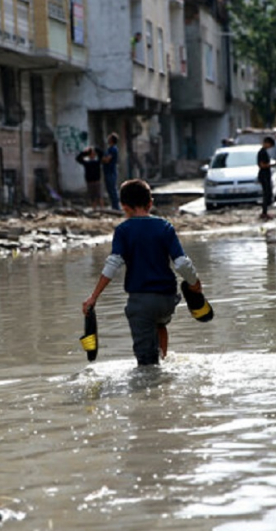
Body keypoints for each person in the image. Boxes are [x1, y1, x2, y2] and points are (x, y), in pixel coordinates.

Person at [81, 179, 204, 366]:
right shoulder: (165, 227)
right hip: (167, 300)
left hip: (141, 302)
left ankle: (153, 386)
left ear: (124, 207)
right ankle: (164, 362)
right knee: (159, 324)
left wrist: (94, 296)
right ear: (150, 203)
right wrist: (194, 283)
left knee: (146, 365)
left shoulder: (123, 230)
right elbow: (181, 263)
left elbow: (113, 265)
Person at [257, 137, 275, 220]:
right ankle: (264, 213)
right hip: (264, 174)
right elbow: (262, 165)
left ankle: (265, 211)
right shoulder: (262, 152)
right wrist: (272, 165)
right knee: (266, 193)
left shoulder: (264, 152)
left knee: (268, 193)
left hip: (266, 174)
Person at [102, 133, 120, 211]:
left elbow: (107, 160)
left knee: (112, 189)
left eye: (109, 138)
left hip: (111, 171)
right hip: (108, 171)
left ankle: (116, 207)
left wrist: (101, 158)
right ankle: (114, 206)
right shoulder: (110, 149)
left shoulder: (113, 149)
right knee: (110, 189)